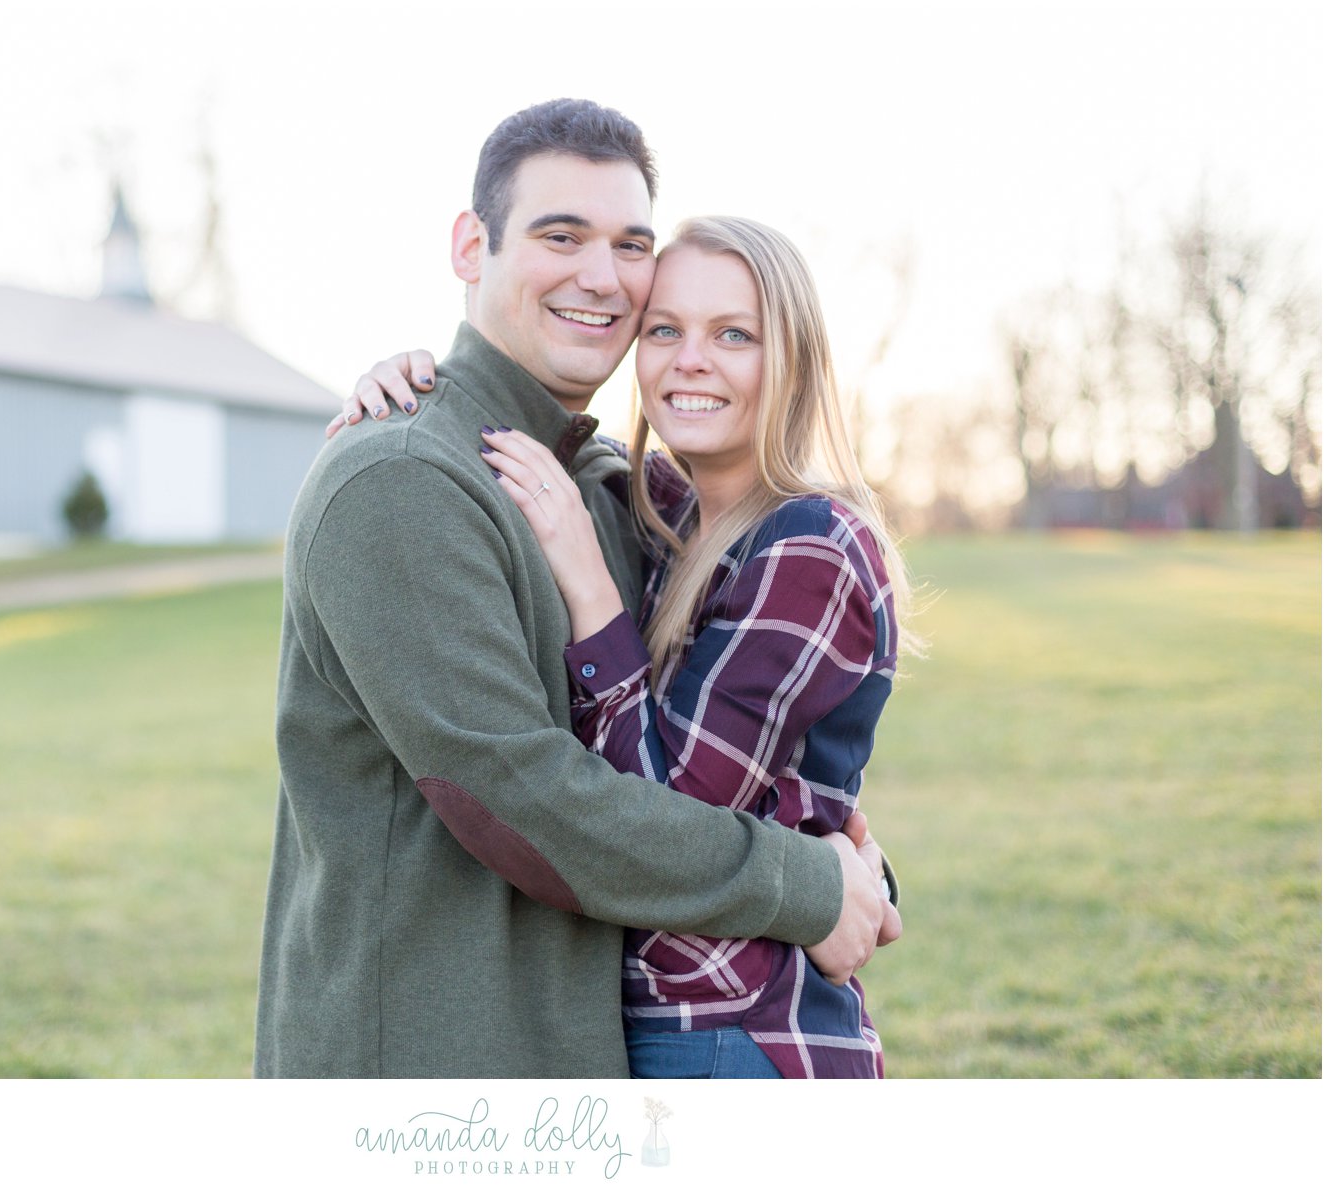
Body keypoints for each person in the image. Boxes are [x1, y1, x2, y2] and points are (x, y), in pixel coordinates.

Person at [254, 99, 897, 1079]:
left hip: (577, 1067)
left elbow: (720, 750)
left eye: (630, 244)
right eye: (561, 236)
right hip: (424, 1081)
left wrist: (849, 863)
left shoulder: (609, 490)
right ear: (472, 246)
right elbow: (523, 799)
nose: (601, 277)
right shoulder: (400, 479)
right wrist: (804, 883)